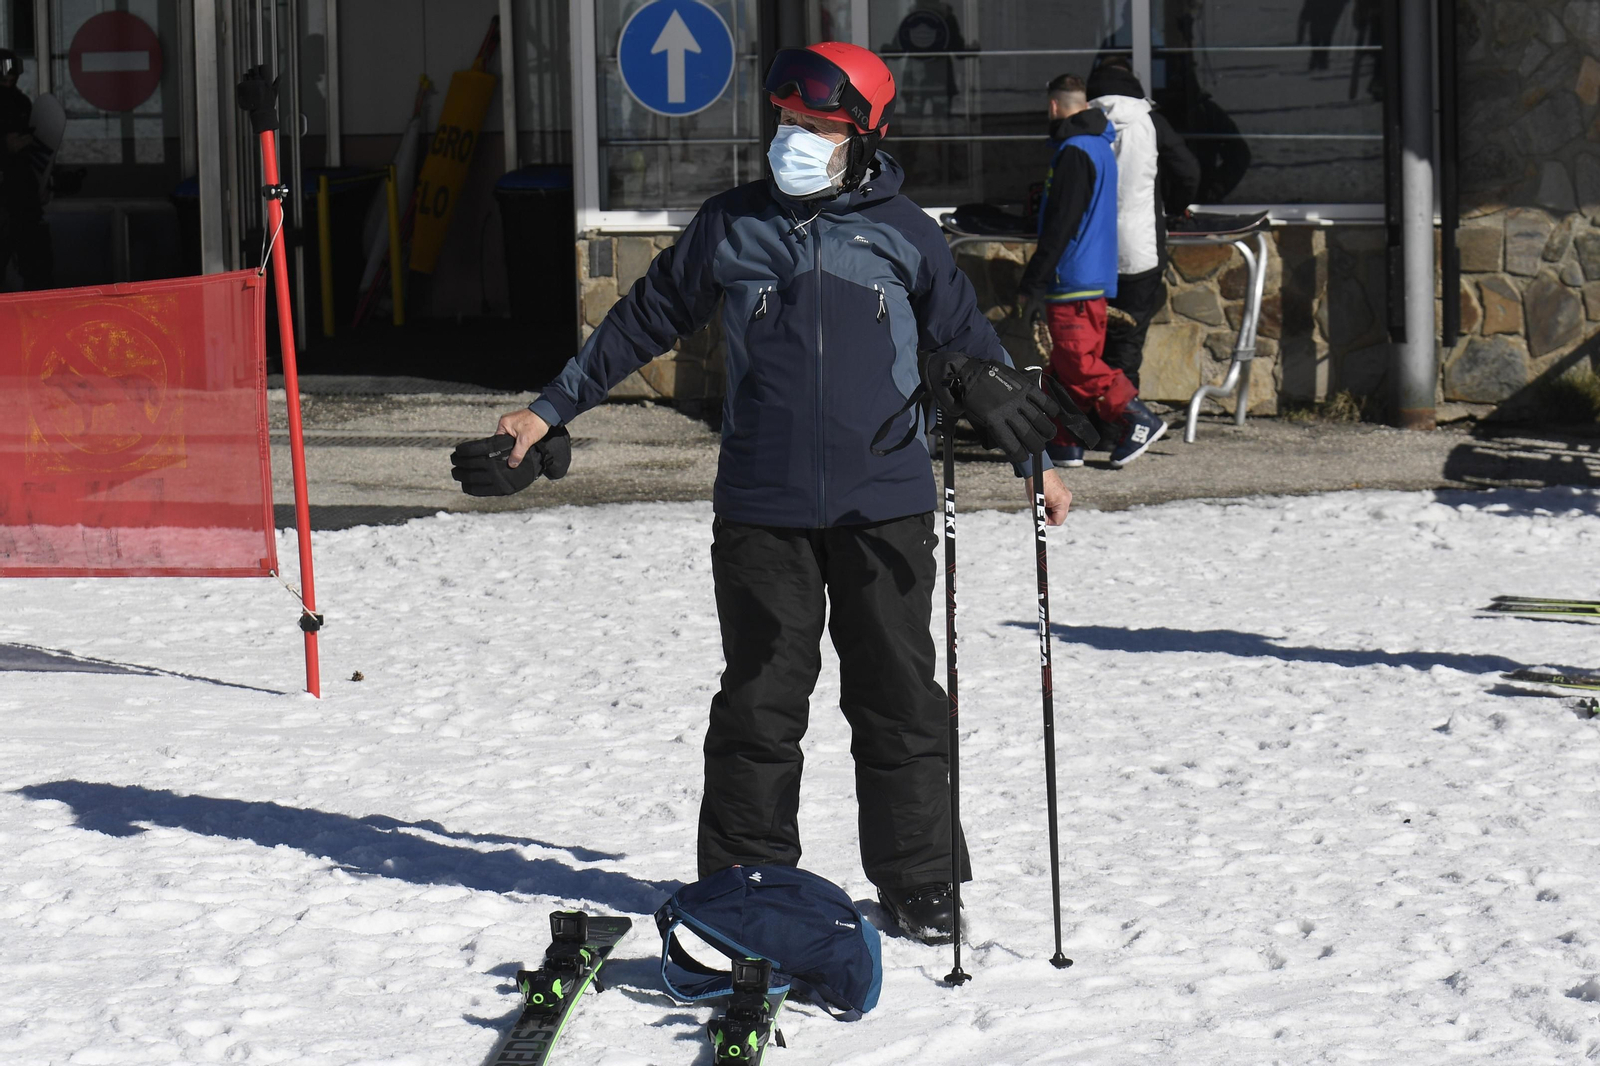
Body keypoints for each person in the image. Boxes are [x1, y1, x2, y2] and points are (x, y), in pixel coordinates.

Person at [487, 42, 1072, 943]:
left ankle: (920, 883)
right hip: (763, 507)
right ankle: (744, 880)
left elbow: (973, 349)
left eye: (820, 127)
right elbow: (639, 321)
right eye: (789, 122)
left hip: (886, 505)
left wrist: (1039, 464)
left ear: (865, 137)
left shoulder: (905, 231)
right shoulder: (730, 226)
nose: (794, 139)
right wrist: (548, 409)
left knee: (899, 699)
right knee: (760, 700)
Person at [1019, 73, 1167, 468]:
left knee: (1079, 365)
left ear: (1053, 106)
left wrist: (1033, 281)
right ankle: (1065, 441)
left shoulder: (1074, 151)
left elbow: (1062, 223)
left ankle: (1139, 418)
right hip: (1096, 276)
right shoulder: (1102, 146)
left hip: (1073, 278)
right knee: (1063, 368)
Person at [1087, 56, 1200, 392]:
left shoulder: (1081, 120)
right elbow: (1189, 171)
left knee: (1089, 343)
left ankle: (1089, 423)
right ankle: (1119, 424)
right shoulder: (1152, 123)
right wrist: (1175, 206)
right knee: (1126, 345)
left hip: (1089, 254)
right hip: (1140, 250)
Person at [0, 49, 51, 290]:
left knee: (34, 263)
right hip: (7, 195)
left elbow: (31, 144)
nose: (9, 77)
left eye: (13, 71)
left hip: (21, 190)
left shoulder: (20, 102)